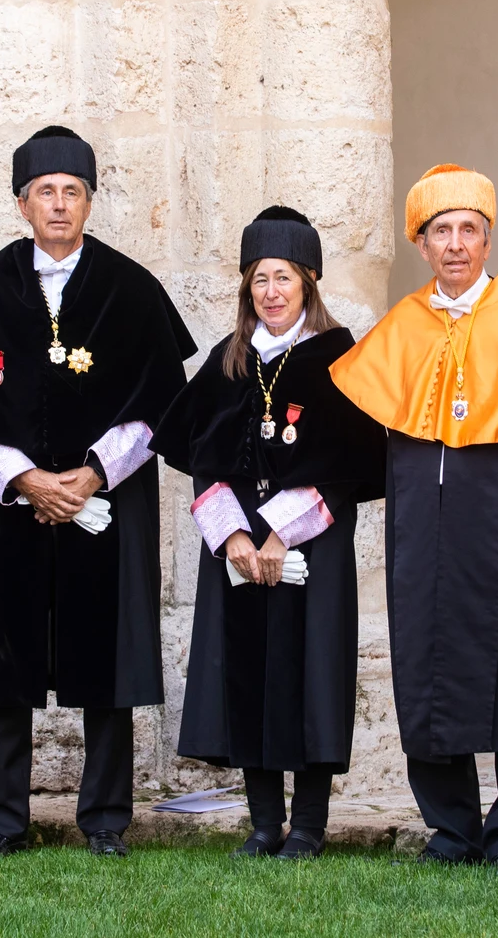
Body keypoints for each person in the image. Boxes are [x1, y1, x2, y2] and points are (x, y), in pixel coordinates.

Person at [0, 126, 196, 859]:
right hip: (10, 502)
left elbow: (159, 403)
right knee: (5, 656)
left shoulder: (132, 290)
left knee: (104, 656)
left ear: (89, 201)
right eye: (45, 192)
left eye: (72, 192)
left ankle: (106, 816)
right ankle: (2, 820)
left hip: (104, 501)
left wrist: (92, 473)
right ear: (21, 204)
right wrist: (25, 478)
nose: (58, 204)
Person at [331, 165, 498, 869]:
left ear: (489, 239)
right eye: (441, 232)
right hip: (421, 519)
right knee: (424, 659)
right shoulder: (403, 323)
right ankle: (452, 828)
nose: (456, 244)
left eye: (469, 230)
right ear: (422, 245)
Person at [153, 207, 384, 860]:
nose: (271, 292)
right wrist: (233, 538)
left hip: (311, 549)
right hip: (238, 553)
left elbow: (348, 465)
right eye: (259, 279)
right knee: (246, 674)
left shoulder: (338, 357)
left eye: (283, 277)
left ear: (309, 282)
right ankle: (263, 823)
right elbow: (199, 457)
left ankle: (307, 824)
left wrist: (282, 533)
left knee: (310, 677)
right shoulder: (231, 362)